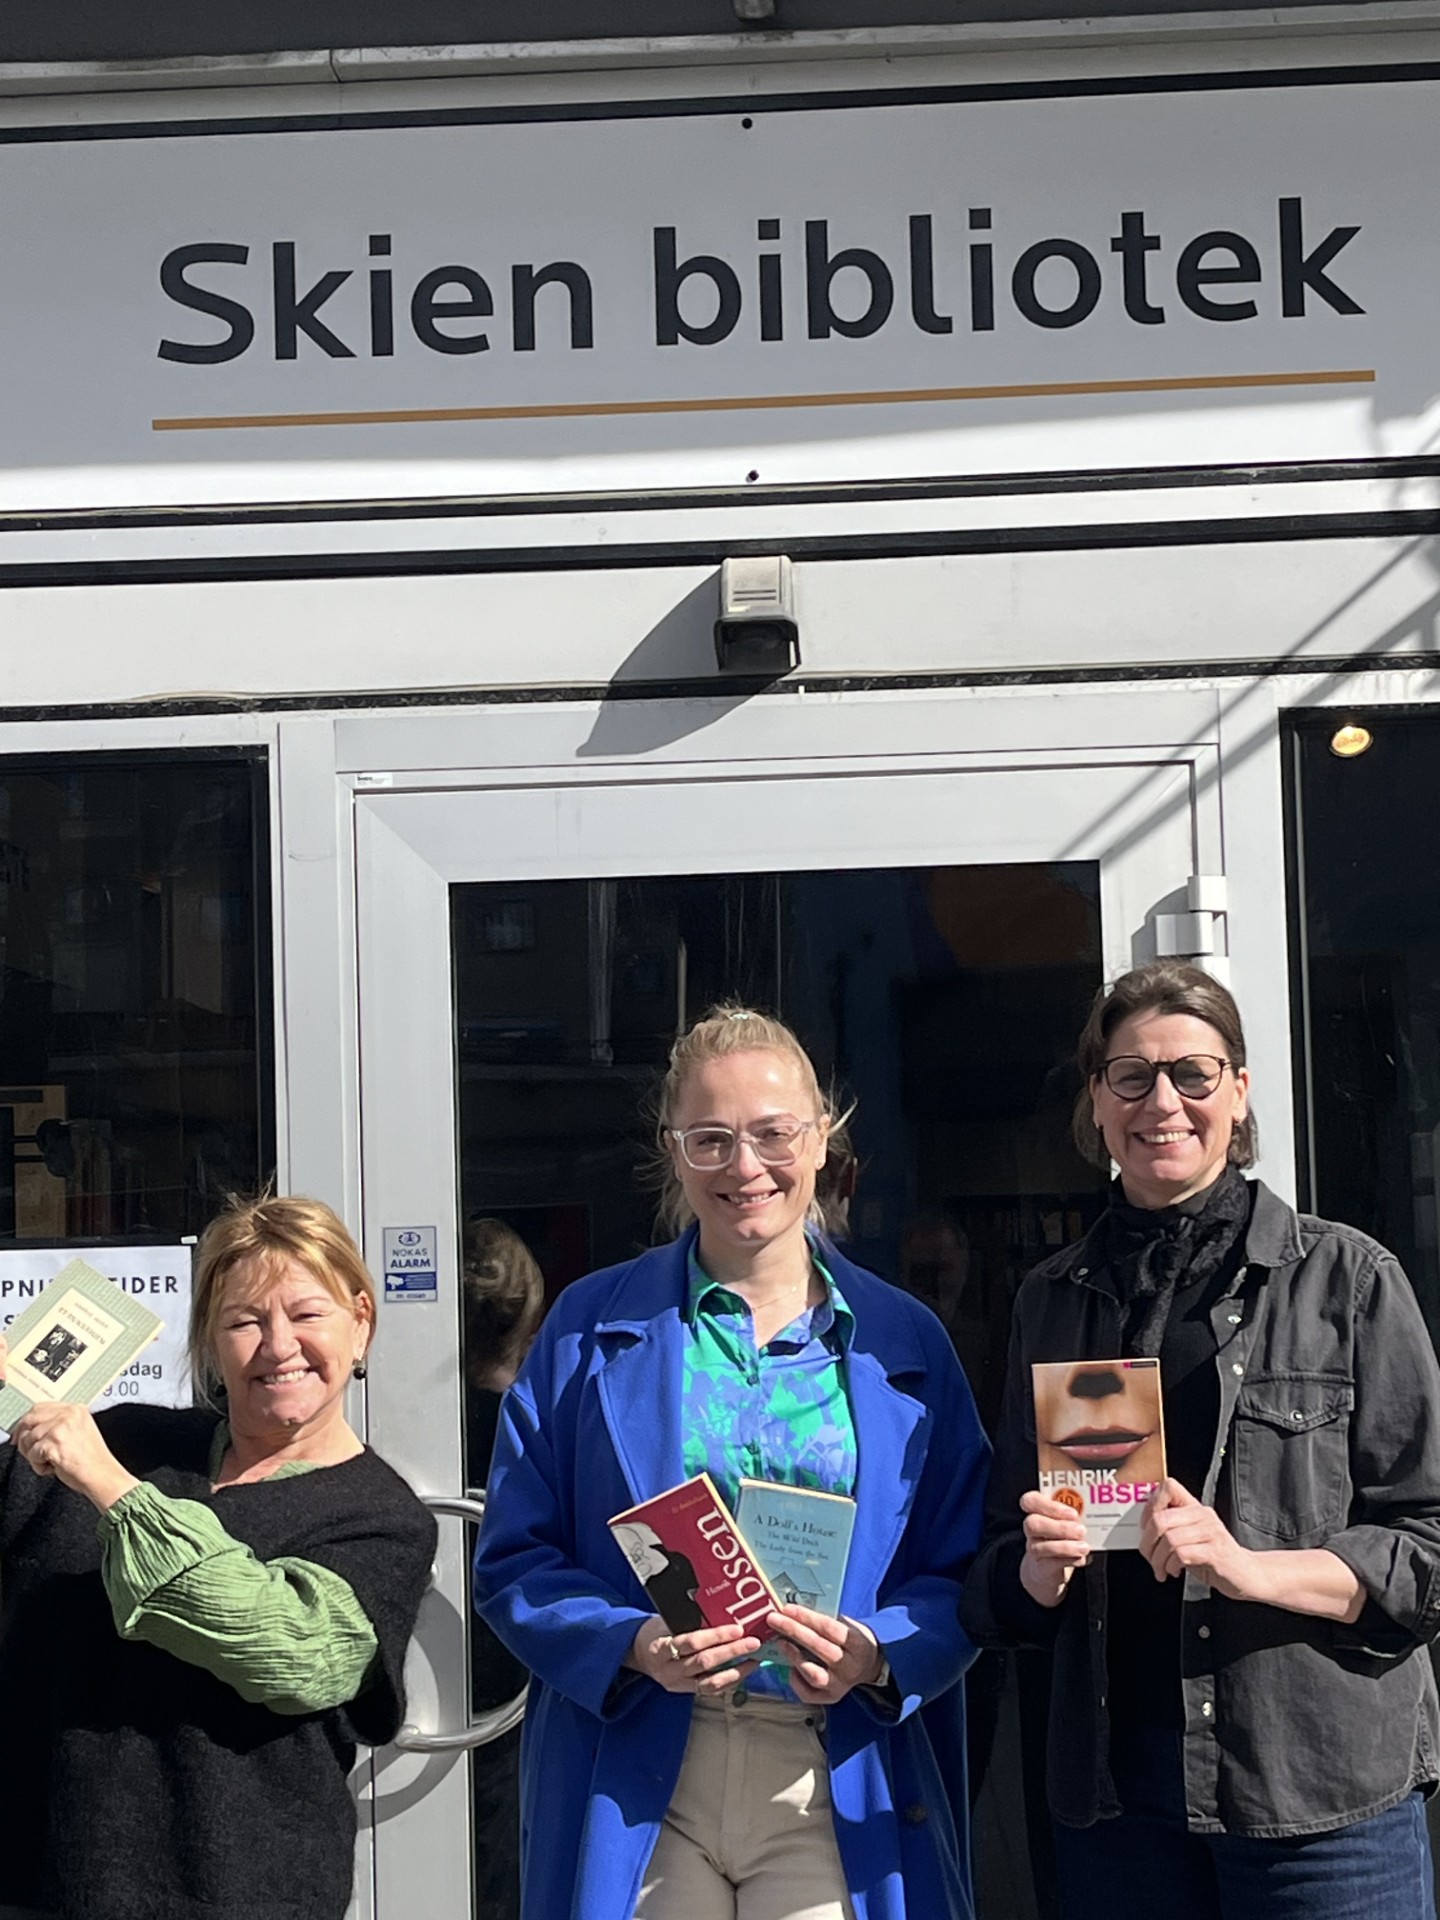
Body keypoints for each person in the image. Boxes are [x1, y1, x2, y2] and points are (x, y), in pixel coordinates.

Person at [473, 1004, 991, 1920]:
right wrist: (631, 1643)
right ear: (673, 1151)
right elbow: (516, 1558)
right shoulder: (588, 1330)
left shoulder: (907, 1342)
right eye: (710, 1140)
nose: (744, 1168)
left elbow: (962, 1565)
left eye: (772, 1134)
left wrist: (876, 1655)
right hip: (641, 1758)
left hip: (830, 1768)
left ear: (823, 1138)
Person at [962, 961, 1440, 1920]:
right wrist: (1031, 1575)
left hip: (1315, 1799)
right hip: (1119, 1803)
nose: (1162, 1102)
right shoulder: (1051, 1301)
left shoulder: (1346, 1280)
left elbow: (1427, 1553)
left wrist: (1251, 1567)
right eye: (1130, 1076)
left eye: (1194, 1072)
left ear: (1240, 1092)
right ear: (1097, 1102)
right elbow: (992, 1560)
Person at [0, 1193, 437, 1920]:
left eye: (306, 1314)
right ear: (208, 1338)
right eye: (244, 1321)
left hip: (235, 1895)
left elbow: (284, 1649)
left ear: (360, 1323)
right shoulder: (129, 1436)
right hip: (36, 1883)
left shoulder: (381, 1519)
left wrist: (110, 1487)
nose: (278, 1346)